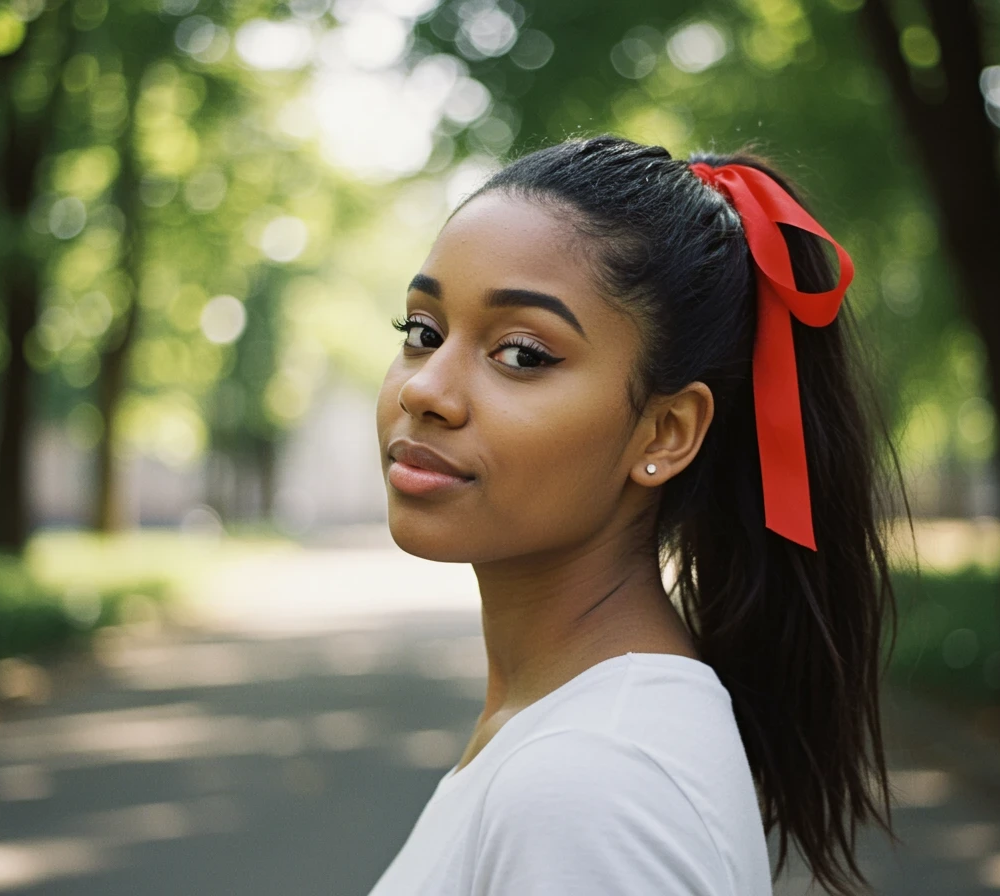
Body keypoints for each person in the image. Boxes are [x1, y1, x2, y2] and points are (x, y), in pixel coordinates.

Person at [370, 133, 911, 896]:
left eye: (521, 353)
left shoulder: (590, 787)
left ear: (666, 432)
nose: (425, 388)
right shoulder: (574, 738)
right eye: (422, 333)